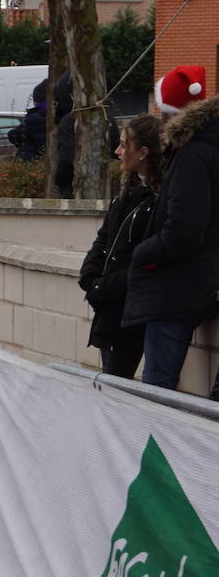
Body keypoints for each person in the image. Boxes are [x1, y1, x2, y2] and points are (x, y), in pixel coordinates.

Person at [121, 66, 218, 391]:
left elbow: (184, 231)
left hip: (179, 289)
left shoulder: (192, 155)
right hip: (191, 282)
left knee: (156, 390)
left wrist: (143, 253)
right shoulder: (202, 148)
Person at [79, 114, 162, 379]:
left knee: (117, 385)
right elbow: (104, 239)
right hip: (111, 306)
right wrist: (91, 276)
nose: (117, 152)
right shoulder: (126, 193)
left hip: (133, 306)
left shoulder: (159, 201)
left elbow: (148, 259)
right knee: (111, 378)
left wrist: (105, 286)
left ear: (144, 152)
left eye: (124, 145)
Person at [7, 80, 49, 161]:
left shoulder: (34, 119)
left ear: (36, 101)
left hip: (31, 159)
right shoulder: (61, 116)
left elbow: (13, 135)